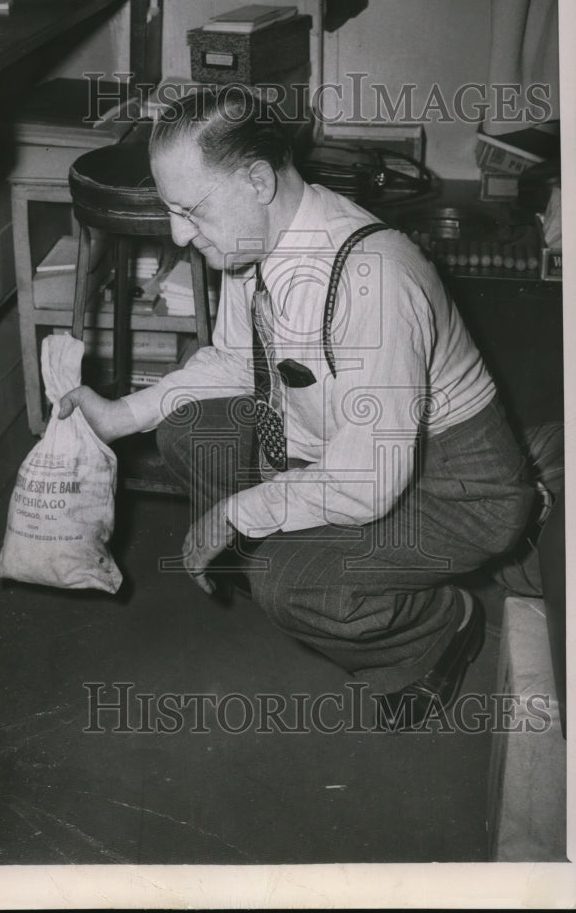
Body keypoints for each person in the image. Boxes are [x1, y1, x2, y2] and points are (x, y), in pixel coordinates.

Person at [58, 85, 533, 729]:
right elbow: (233, 362)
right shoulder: (247, 242)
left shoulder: (373, 279)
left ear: (257, 180)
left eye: (190, 210)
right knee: (188, 430)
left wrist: (239, 511)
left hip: (452, 485)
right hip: (342, 448)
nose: (177, 234)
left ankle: (438, 629)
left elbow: (368, 484)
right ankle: (318, 568)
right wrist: (123, 415)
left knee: (290, 582)